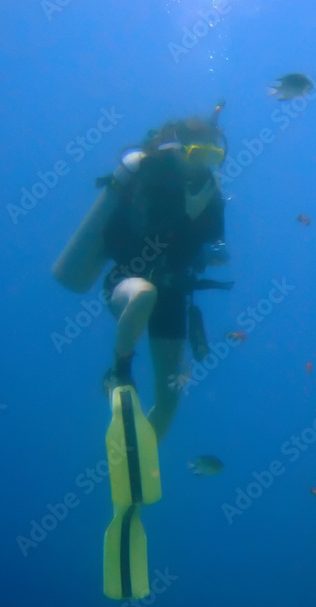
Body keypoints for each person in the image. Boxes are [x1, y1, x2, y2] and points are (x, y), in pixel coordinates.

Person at [52, 103, 230, 439]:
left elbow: (212, 241)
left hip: (175, 294)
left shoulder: (211, 190)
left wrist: (215, 249)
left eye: (210, 156)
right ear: (176, 149)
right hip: (129, 279)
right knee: (144, 295)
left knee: (170, 398)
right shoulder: (151, 174)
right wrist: (184, 214)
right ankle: (119, 372)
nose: (201, 165)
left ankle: (140, 465)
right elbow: (146, 229)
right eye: (194, 154)